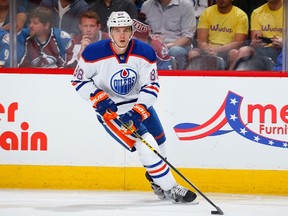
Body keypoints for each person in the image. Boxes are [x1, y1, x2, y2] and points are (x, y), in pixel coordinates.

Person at [71, 11, 197, 203]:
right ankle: (171, 188)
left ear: (131, 32)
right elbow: (78, 80)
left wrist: (138, 112)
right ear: (110, 32)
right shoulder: (93, 52)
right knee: (146, 142)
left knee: (160, 142)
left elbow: (151, 85)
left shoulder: (145, 52)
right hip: (113, 112)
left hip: (139, 104)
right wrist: (98, 98)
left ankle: (157, 181)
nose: (122, 35)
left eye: (126, 30)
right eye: (117, 30)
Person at [188, 0, 249, 69]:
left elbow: (238, 43)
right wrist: (208, 49)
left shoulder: (240, 15)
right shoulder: (207, 12)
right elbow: (201, 41)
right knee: (193, 54)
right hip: (208, 49)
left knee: (234, 53)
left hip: (228, 50)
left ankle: (230, 78)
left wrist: (218, 49)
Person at [141, 0, 196, 70]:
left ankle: (179, 78)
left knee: (175, 51)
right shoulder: (146, 5)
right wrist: (155, 44)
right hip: (153, 44)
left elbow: (187, 37)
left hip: (177, 45)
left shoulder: (186, 5)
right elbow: (142, 33)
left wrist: (164, 47)